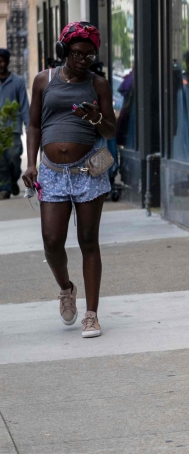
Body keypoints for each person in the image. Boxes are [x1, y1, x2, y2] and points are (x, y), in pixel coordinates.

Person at [21, 22, 117, 338]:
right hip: (50, 171)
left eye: (89, 56)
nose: (83, 61)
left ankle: (91, 314)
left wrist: (96, 119)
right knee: (51, 241)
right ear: (64, 50)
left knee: (88, 241)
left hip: (87, 171)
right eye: (77, 54)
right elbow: (34, 125)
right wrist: (31, 164)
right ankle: (66, 288)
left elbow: (110, 131)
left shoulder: (98, 85)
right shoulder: (43, 81)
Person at [0, 48, 30, 199]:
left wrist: (29, 126)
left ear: (7, 62)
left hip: (13, 129)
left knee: (13, 158)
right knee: (1, 160)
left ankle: (13, 180)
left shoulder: (17, 81)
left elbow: (24, 106)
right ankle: (5, 188)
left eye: (1, 61)